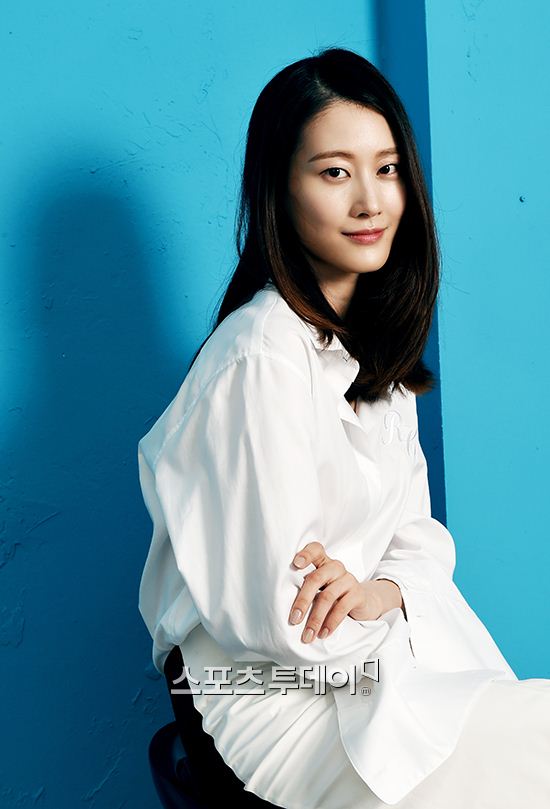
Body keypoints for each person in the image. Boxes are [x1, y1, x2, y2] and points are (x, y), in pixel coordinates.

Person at [137, 47, 550, 808]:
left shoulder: (371, 351)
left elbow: (419, 541)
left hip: (372, 664)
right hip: (268, 700)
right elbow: (285, 619)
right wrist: (379, 601)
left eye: (387, 169)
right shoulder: (259, 356)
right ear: (279, 190)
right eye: (334, 172)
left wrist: (380, 588)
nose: (370, 201)